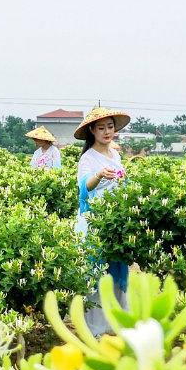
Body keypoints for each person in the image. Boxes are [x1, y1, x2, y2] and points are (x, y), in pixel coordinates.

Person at [74, 106, 131, 336]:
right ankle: (95, 329)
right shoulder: (87, 159)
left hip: (114, 220)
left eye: (110, 127)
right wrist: (98, 176)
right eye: (101, 128)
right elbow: (84, 187)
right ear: (92, 131)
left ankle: (114, 325)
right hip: (94, 222)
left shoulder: (115, 154)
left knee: (116, 272)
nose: (107, 132)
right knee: (96, 274)